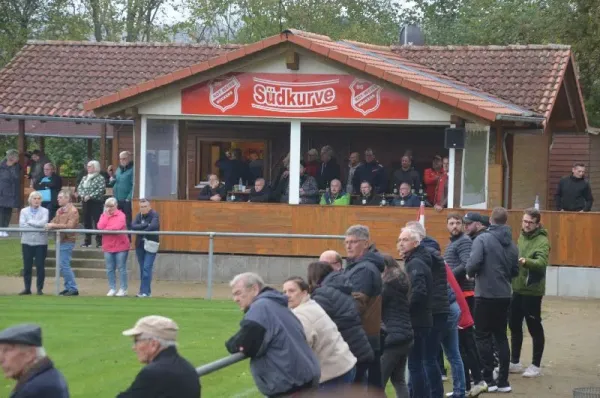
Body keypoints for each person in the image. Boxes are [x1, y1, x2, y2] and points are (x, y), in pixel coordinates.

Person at [225, 272, 320, 397]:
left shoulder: (260, 307)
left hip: (291, 384)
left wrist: (230, 344)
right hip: (303, 378)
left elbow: (245, 343)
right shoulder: (275, 304)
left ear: (254, 289)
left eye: (238, 293)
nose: (235, 299)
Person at [466, 207, 519, 393]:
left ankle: (488, 378)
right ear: (506, 221)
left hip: (485, 294)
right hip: (505, 294)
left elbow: (473, 263)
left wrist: (470, 274)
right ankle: (503, 381)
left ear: (490, 220)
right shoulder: (512, 244)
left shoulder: (482, 239)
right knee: (501, 337)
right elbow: (515, 271)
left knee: (482, 336)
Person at [283, 276, 357, 388]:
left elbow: (299, 351)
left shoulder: (301, 315)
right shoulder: (311, 304)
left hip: (333, 374)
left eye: (292, 291)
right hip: (343, 365)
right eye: (284, 292)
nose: (287, 295)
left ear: (304, 292)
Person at [307, 261, 374, 374]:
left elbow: (316, 323)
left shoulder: (323, 294)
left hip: (349, 353)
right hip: (360, 348)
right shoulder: (341, 288)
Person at [509, 208, 550, 378]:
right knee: (514, 325)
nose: (526, 225)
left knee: (534, 327)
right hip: (516, 288)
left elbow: (541, 262)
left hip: (532, 291)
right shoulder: (520, 237)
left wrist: (526, 262)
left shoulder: (542, 240)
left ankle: (535, 365)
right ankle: (515, 362)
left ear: (537, 223)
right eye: (524, 221)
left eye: (530, 222)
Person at [343, 224, 385, 388]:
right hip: (366, 335)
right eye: (346, 242)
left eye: (353, 242)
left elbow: (356, 306)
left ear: (366, 244)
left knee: (360, 386)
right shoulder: (357, 266)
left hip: (362, 335)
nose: (348, 246)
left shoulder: (364, 269)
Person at [118, 316, 200, 398]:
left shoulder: (153, 372)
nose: (134, 347)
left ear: (154, 344)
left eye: (136, 341)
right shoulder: (188, 367)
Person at [397, 226, 432, 398]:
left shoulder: (416, 263)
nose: (400, 244)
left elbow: (419, 292)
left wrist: (405, 309)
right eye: (399, 240)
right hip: (421, 320)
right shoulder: (415, 260)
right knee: (418, 364)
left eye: (404, 240)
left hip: (418, 321)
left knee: (415, 365)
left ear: (416, 242)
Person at [0, 324, 69, 397]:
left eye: (7, 350)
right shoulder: (51, 375)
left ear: (29, 354)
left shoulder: (31, 391)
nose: (1, 359)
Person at [380, 254, 413, 398]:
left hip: (392, 338)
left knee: (377, 383)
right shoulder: (402, 280)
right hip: (405, 336)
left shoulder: (386, 285)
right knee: (398, 379)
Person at [45, 190, 79, 296]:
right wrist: (50, 224)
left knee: (64, 264)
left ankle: (73, 288)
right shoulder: (59, 210)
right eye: (58, 197)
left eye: (60, 197)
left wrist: (53, 226)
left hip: (67, 240)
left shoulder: (73, 211)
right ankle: (68, 287)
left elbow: (70, 226)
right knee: (62, 265)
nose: (58, 199)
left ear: (67, 198)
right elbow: (54, 221)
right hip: (60, 239)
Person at [97, 197, 130, 297]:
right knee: (110, 268)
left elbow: (117, 227)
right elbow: (99, 226)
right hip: (108, 245)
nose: (109, 208)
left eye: (111, 206)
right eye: (107, 206)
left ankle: (123, 288)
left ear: (116, 206)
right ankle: (112, 288)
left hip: (121, 246)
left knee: (121, 268)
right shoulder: (103, 215)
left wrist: (106, 230)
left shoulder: (121, 215)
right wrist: (106, 217)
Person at [18, 191, 49, 296]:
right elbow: (22, 225)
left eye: (39, 198)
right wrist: (37, 225)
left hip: (41, 243)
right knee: (27, 266)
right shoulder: (23, 211)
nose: (37, 200)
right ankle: (27, 288)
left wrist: (30, 222)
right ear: (30, 200)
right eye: (34, 198)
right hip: (26, 242)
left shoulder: (45, 211)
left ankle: (39, 289)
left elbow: (43, 223)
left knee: (40, 266)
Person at [131, 199, 160, 298]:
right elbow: (133, 226)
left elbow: (153, 226)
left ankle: (144, 292)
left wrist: (142, 229)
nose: (143, 209)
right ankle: (145, 291)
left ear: (149, 206)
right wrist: (144, 225)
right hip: (139, 245)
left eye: (144, 206)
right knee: (142, 268)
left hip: (151, 244)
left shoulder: (154, 215)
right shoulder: (139, 216)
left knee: (147, 268)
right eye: (141, 207)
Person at [77, 160, 106, 248]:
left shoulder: (100, 178)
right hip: (85, 202)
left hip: (96, 202)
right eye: (88, 166)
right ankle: (87, 241)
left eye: (90, 166)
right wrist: (82, 195)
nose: (88, 168)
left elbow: (101, 189)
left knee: (97, 221)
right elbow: (79, 187)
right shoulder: (85, 178)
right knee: (87, 221)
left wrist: (90, 196)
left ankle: (99, 241)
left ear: (95, 167)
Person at [109, 151, 134, 230]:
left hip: (127, 200)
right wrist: (111, 178)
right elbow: (114, 181)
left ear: (129, 158)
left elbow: (135, 185)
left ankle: (130, 239)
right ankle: (120, 237)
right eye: (121, 159)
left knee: (128, 220)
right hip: (117, 198)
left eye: (124, 159)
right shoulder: (119, 169)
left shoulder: (133, 169)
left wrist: (129, 198)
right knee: (118, 219)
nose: (122, 161)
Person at [0, 149, 21, 237]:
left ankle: (5, 229)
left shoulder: (16, 167)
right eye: (17, 156)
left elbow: (16, 178)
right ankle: (1, 229)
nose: (18, 158)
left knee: (8, 211)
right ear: (12, 157)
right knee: (2, 211)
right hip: (2, 192)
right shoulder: (1, 166)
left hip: (12, 193)